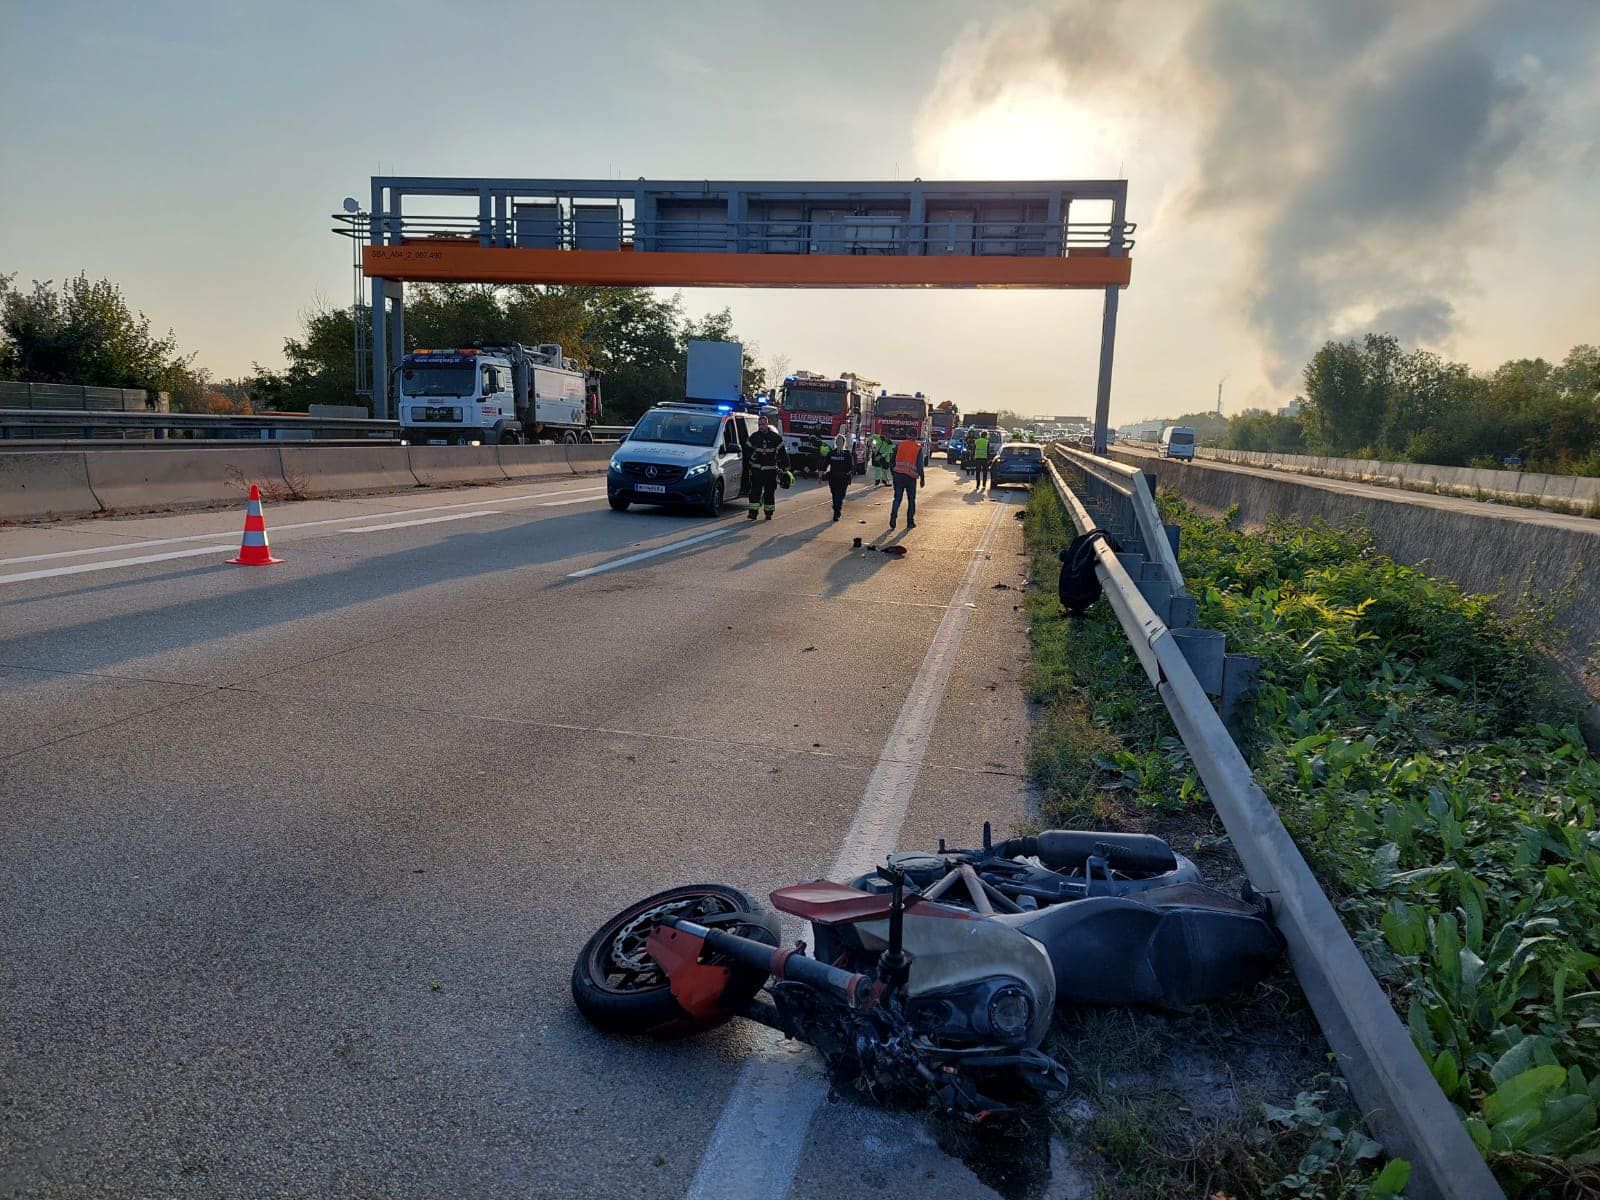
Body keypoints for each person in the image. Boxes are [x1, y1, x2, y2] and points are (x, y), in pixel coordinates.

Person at [745, 412, 790, 521]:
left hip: (770, 471)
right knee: (755, 492)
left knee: (769, 493)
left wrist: (786, 469)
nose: (761, 427)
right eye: (760, 425)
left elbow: (782, 454)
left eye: (763, 424)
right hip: (757, 471)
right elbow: (747, 451)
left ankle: (768, 513)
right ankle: (753, 513)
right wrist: (750, 459)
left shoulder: (776, 438)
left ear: (767, 424)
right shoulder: (754, 437)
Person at [889, 435, 926, 531]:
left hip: (898, 476)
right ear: (915, 437)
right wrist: (922, 478)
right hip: (910, 478)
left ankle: (893, 516)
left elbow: (892, 461)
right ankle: (910, 522)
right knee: (911, 500)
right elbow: (920, 465)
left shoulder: (900, 445)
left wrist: (894, 473)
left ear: (906, 435)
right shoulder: (917, 448)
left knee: (897, 499)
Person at [822, 433, 855, 522]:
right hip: (833, 478)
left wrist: (848, 474)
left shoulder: (847, 454)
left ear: (844, 442)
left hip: (843, 478)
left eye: (841, 440)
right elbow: (825, 464)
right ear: (836, 442)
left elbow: (851, 467)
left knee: (840, 495)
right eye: (838, 440)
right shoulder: (831, 453)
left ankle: (837, 511)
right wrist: (821, 474)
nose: (839, 442)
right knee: (834, 494)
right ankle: (836, 509)